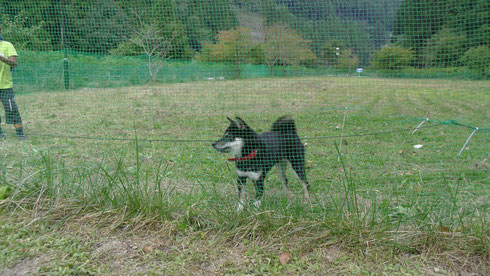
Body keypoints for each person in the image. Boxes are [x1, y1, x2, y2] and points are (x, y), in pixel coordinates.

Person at [0, 26, 27, 140]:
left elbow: (14, 63)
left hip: (5, 85)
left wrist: (2, 58)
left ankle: (20, 134)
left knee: (12, 109)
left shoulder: (7, 45)